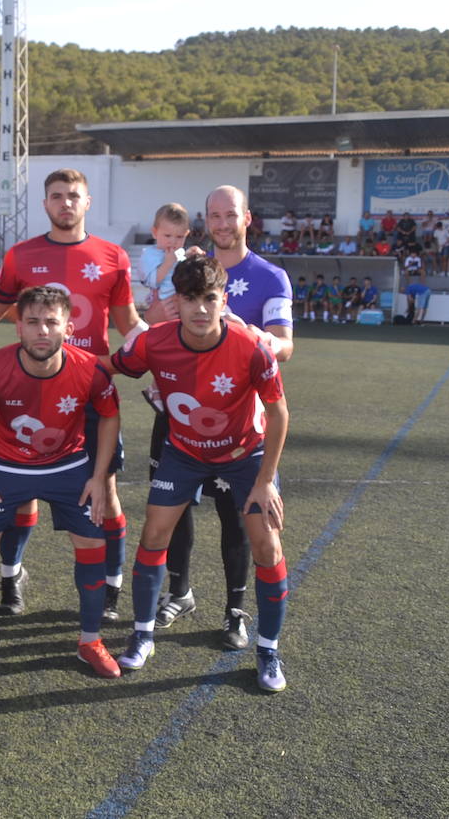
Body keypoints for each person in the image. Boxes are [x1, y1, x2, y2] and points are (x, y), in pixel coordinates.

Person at [108, 255, 291, 693]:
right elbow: (109, 366)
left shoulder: (250, 344)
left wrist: (266, 480)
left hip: (246, 456)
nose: (201, 309)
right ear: (177, 302)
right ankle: (144, 634)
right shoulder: (155, 341)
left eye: (210, 299)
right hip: (184, 453)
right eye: (190, 299)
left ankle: (268, 649)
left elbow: (279, 412)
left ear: (223, 300)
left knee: (266, 544)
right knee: (154, 533)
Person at [0, 168, 141, 622]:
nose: (66, 203)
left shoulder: (112, 256)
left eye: (74, 196)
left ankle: (110, 588)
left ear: (87, 203)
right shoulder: (22, 255)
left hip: (87, 392)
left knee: (104, 490)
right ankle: (11, 577)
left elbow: (128, 323)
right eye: (57, 196)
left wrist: (164, 353)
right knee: (18, 494)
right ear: (45, 204)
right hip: (29, 388)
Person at [150, 185, 293, 651]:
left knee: (238, 516)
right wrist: (168, 301)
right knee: (175, 511)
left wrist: (255, 338)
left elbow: (284, 344)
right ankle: (180, 591)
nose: (222, 224)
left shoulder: (271, 277)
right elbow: (151, 324)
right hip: (177, 414)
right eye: (214, 216)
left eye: (230, 215)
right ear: (205, 220)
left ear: (246, 218)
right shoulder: (190, 269)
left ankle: (235, 609)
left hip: (237, 423)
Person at [0, 287, 121, 676]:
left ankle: (89, 640)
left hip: (68, 466)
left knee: (92, 541)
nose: (42, 331)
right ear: (18, 327)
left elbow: (109, 416)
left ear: (68, 326)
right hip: (6, 467)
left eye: (51, 322)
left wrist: (99, 477)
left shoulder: (90, 368)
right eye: (32, 322)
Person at [137, 203, 190, 325]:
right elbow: (152, 282)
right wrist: (167, 263)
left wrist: (189, 257)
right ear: (155, 232)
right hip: (164, 306)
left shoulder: (180, 253)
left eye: (179, 237)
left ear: (186, 234)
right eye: (167, 235)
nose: (173, 241)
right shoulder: (149, 255)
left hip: (183, 307)